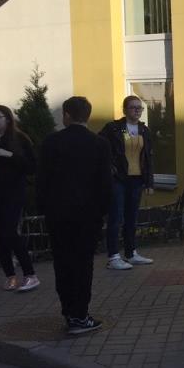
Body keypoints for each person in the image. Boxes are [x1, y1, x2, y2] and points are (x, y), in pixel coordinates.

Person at [38, 96, 112, 335]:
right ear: (87, 116)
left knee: (62, 263)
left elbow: (42, 180)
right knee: (83, 264)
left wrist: (45, 208)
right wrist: (103, 212)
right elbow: (105, 184)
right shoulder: (99, 144)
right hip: (87, 216)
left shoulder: (51, 142)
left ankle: (69, 312)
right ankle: (81, 315)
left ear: (67, 115)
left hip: (58, 215)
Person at [0, 105, 39, 292]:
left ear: (8, 119)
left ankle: (30, 274)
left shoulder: (20, 139)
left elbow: (32, 166)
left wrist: (9, 155)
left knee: (9, 231)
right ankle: (10, 275)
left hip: (14, 191)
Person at [99, 95, 155, 270]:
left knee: (132, 217)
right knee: (116, 217)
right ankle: (113, 256)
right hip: (119, 179)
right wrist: (110, 168)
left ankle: (131, 253)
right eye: (133, 107)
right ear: (124, 110)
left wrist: (149, 182)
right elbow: (100, 148)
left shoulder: (144, 130)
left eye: (140, 108)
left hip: (137, 179)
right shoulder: (114, 128)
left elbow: (148, 157)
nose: (137, 110)